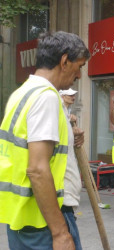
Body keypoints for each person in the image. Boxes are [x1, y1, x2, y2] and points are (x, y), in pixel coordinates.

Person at [0, 31, 90, 250]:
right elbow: (37, 169)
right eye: (79, 66)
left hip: (22, 217)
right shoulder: (47, 97)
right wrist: (60, 232)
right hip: (44, 222)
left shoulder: (22, 93)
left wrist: (69, 138)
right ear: (64, 60)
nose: (79, 76)